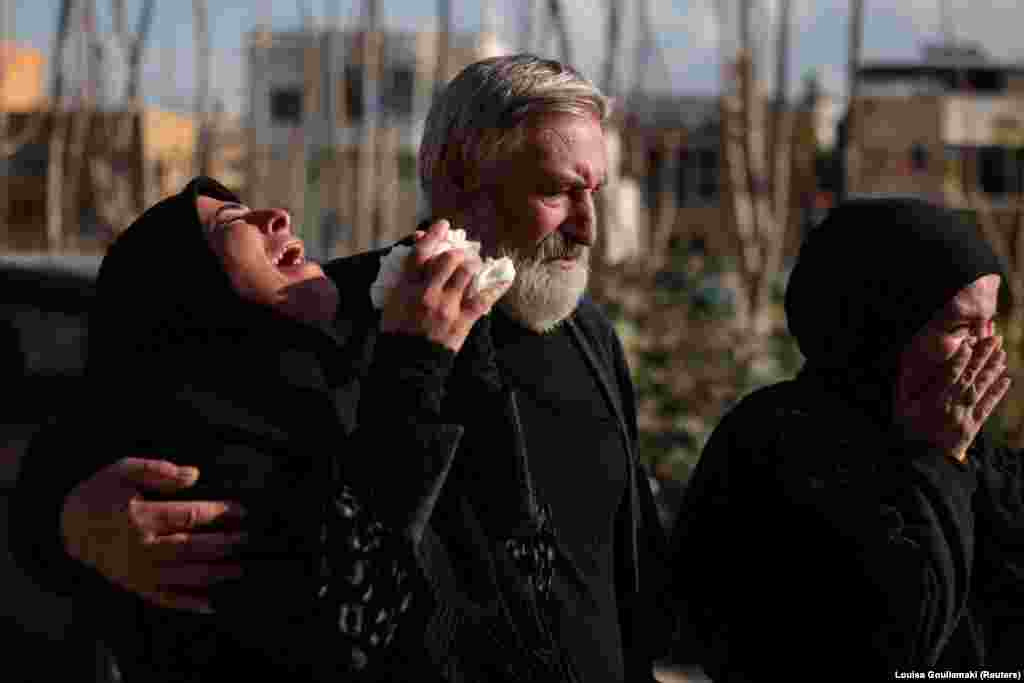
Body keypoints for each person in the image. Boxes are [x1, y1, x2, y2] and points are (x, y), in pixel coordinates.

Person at [12, 54, 671, 682]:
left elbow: (627, 571)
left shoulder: (590, 337)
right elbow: (117, 421)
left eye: (596, 190)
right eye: (557, 190)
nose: (588, 227)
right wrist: (64, 518)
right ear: (458, 173)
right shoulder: (344, 316)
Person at [10, 175, 513, 681]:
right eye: (230, 221)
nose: (277, 217)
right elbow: (350, 624)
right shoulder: (186, 468)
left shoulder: (317, 390)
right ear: (187, 297)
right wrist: (415, 370)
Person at [670, 198, 1024, 679]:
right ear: (882, 330)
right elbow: (901, 637)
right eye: (961, 326)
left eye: (991, 324)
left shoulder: (972, 453)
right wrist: (939, 461)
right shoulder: (781, 445)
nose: (986, 349)